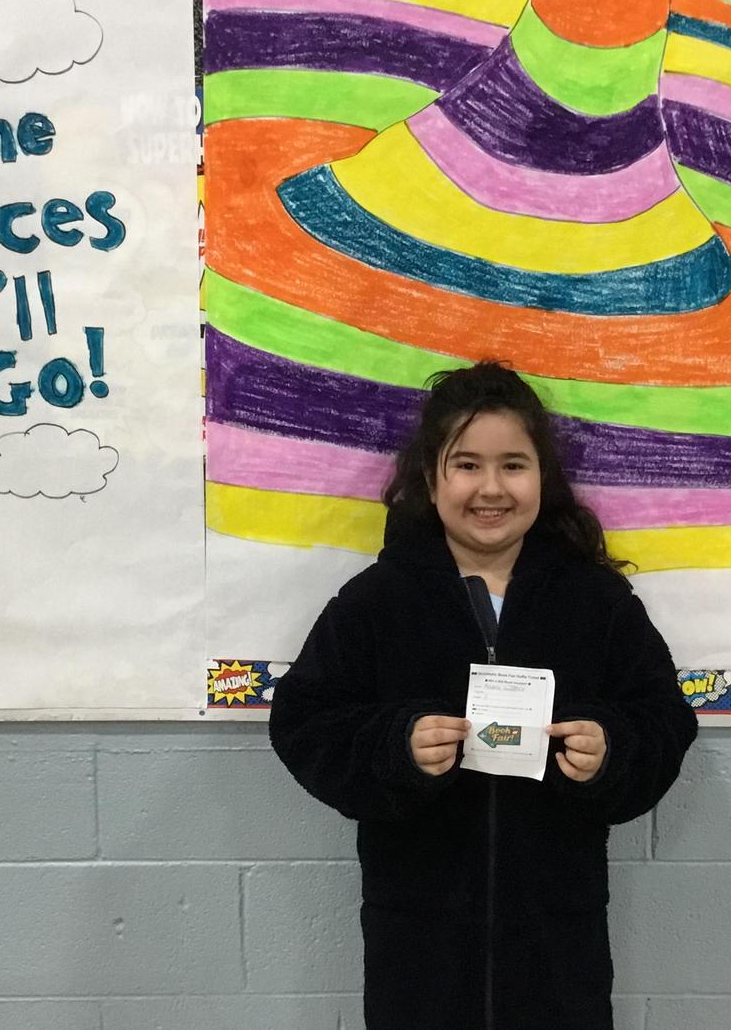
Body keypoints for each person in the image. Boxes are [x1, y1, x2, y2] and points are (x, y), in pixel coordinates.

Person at [269, 361, 697, 1030]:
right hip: (420, 950)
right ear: (430, 477)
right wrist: (394, 746)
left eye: (513, 465)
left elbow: (664, 719)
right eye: (467, 465)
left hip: (557, 947)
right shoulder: (378, 601)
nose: (491, 488)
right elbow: (303, 721)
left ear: (543, 477)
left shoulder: (596, 602)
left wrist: (610, 750)